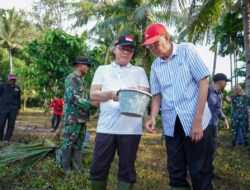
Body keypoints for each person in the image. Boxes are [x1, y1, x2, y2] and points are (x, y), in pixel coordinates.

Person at [143, 23, 212, 190]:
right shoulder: (155, 66)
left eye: (155, 43)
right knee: (175, 170)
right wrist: (152, 116)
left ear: (166, 38)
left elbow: (203, 82)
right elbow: (157, 94)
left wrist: (197, 121)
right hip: (171, 123)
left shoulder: (186, 50)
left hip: (194, 119)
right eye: (149, 46)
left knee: (199, 169)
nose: (153, 48)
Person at [89, 35, 149, 190]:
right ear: (114, 49)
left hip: (130, 129)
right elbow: (93, 95)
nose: (126, 52)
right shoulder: (102, 70)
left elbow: (144, 96)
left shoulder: (139, 71)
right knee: (98, 167)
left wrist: (130, 94)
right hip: (106, 127)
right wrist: (111, 94)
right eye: (122, 48)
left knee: (127, 169)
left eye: (130, 49)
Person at [61, 56, 92, 176]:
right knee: (69, 142)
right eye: (86, 65)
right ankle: (67, 169)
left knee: (79, 143)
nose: (88, 68)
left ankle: (78, 168)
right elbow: (73, 97)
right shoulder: (71, 78)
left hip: (81, 118)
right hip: (72, 118)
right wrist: (91, 104)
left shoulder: (80, 79)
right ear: (80, 65)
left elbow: (82, 98)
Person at [207, 73, 230, 179]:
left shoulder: (220, 94)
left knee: (212, 149)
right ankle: (200, 171)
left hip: (214, 125)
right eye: (225, 81)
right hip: (204, 126)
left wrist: (224, 119)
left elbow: (218, 109)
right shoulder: (206, 91)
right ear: (220, 81)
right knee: (202, 149)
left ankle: (209, 172)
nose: (226, 83)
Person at [0, 74, 21, 142]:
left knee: (11, 125)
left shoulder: (17, 88)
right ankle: (0, 139)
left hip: (13, 109)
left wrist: (18, 109)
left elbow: (18, 99)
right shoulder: (2, 86)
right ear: (8, 79)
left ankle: (7, 140)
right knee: (1, 124)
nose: (12, 80)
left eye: (14, 79)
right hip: (3, 108)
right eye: (11, 79)